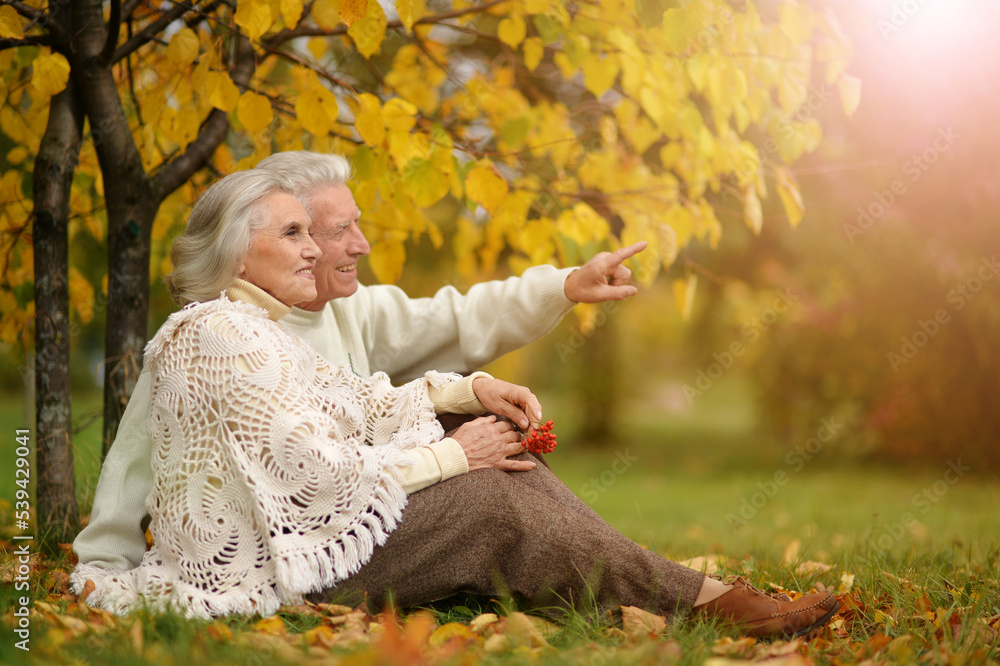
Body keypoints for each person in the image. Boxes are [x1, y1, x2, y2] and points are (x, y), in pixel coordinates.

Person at [72, 156, 839, 638]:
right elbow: (294, 466)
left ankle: (663, 583)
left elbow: (385, 381)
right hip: (293, 554)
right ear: (242, 249)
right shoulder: (216, 336)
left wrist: (478, 385)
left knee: (482, 446)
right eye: (307, 232)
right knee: (492, 502)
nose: (335, 246)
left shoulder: (286, 321)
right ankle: (700, 600)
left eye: (326, 230)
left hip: (332, 519)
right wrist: (103, 556)